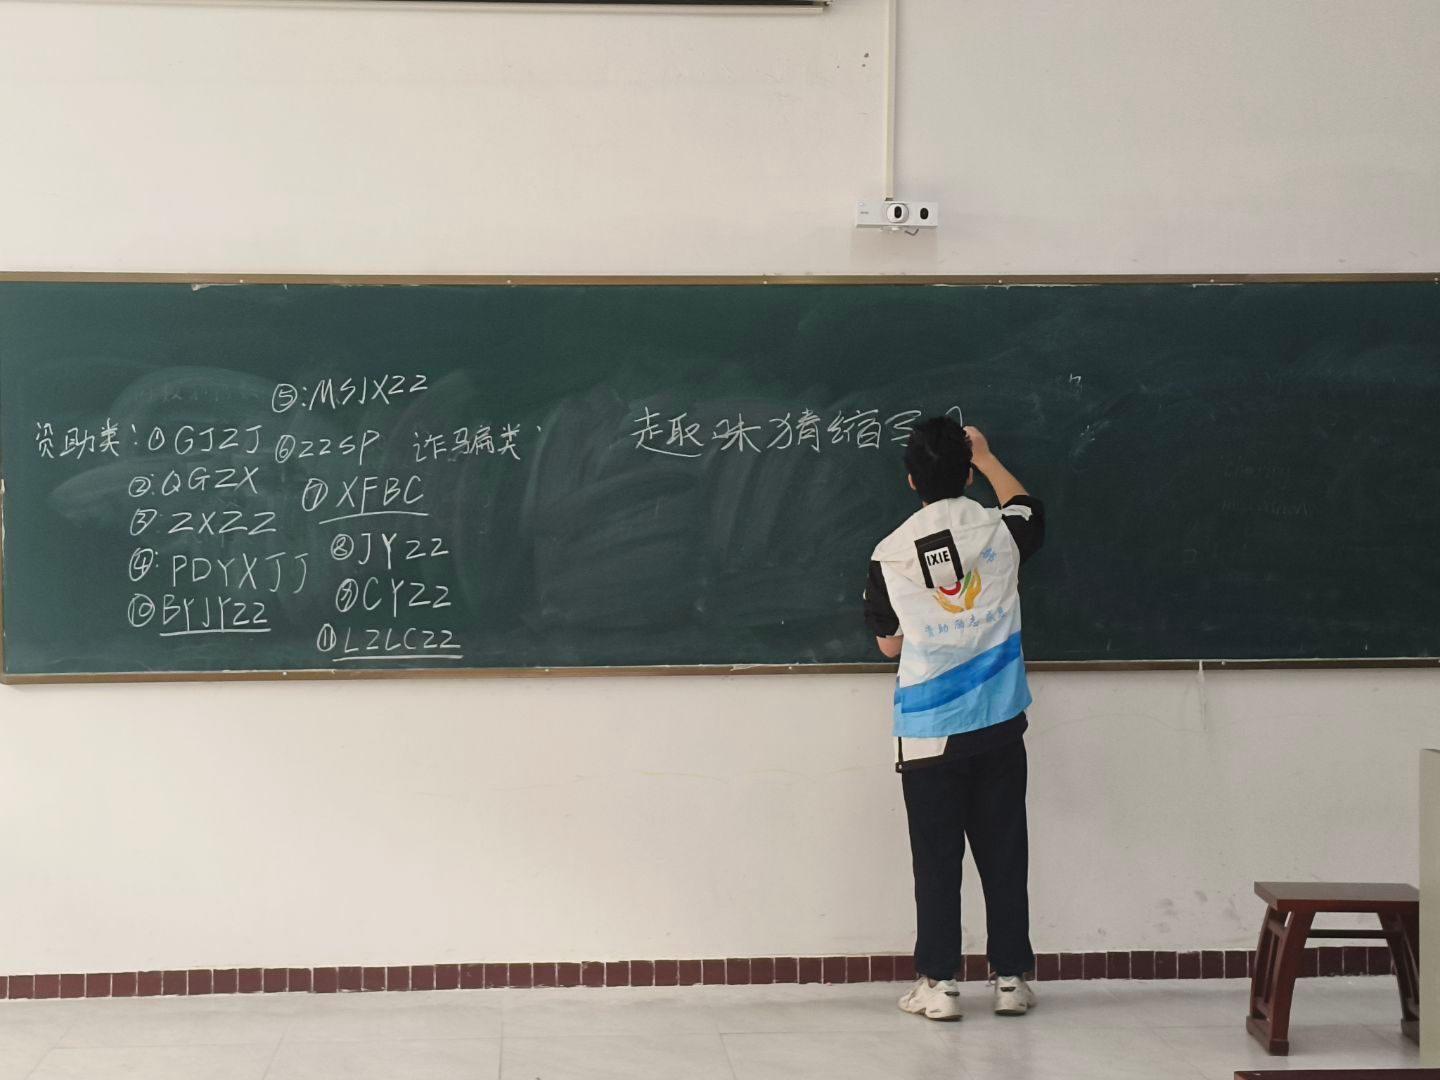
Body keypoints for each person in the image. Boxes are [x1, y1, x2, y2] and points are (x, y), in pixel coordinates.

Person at [863, 416, 1045, 1021]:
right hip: (998, 720)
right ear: (967, 475)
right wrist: (988, 457)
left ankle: (939, 985)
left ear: (911, 480)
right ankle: (1011, 980)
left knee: (936, 860)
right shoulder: (1002, 529)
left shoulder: (889, 554)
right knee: (1005, 853)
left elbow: (889, 645)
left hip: (928, 730)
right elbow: (1028, 507)